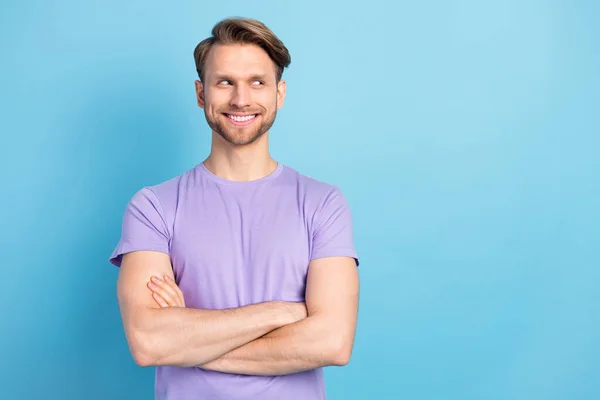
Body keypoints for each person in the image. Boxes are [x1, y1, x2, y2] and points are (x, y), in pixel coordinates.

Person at [108, 17, 360, 400]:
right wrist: (283, 313)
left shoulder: (323, 204)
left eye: (257, 82)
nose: (241, 99)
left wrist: (188, 342)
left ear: (280, 93)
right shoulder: (153, 207)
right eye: (225, 82)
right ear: (200, 93)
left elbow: (332, 342)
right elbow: (149, 342)